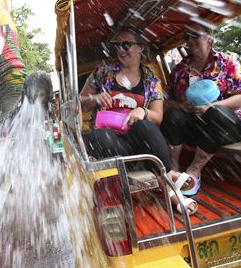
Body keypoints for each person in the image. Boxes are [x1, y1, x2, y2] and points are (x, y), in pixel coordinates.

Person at [80, 28, 197, 215]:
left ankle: (167, 181)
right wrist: (94, 99)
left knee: (145, 126)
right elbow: (80, 102)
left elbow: (158, 117)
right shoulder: (103, 72)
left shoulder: (151, 79)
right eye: (117, 45)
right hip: (114, 145)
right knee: (99, 136)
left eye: (126, 45)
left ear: (141, 47)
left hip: (139, 144)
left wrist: (142, 111)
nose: (121, 50)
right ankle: (169, 179)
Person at [160, 23, 241, 196]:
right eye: (186, 37)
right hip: (195, 128)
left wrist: (212, 106)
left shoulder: (227, 62)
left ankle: (194, 171)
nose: (190, 41)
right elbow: (165, 101)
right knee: (173, 115)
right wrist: (180, 105)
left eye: (195, 35)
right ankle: (174, 169)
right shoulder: (180, 69)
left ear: (210, 37)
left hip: (224, 127)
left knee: (216, 114)